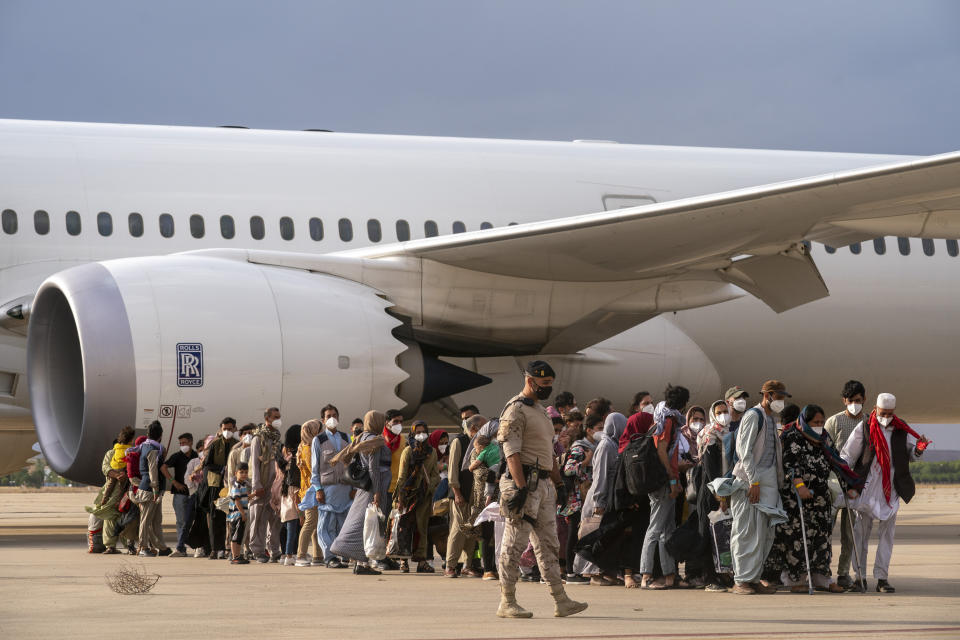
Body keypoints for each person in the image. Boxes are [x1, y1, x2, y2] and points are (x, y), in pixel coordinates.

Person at [496, 360, 587, 619]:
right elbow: (511, 452)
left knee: (549, 544)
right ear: (530, 380)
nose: (548, 388)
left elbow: (548, 452)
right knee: (514, 543)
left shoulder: (541, 411)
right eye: (543, 384)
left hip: (544, 484)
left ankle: (561, 599)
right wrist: (521, 488)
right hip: (524, 482)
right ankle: (507, 600)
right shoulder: (515, 410)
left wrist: (560, 484)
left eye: (550, 384)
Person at [765, 404, 860, 592]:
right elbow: (789, 464)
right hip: (797, 497)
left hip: (820, 496)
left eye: (821, 422)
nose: (819, 425)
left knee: (822, 537)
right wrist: (800, 486)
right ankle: (796, 581)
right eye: (815, 422)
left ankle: (821, 579)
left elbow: (835, 460)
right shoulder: (792, 436)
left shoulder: (823, 438)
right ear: (805, 421)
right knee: (797, 539)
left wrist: (848, 485)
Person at [841, 393, 929, 593]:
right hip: (867, 487)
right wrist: (848, 484)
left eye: (890, 413)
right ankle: (859, 577)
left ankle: (882, 578)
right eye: (883, 413)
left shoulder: (900, 429)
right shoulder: (864, 427)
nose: (886, 417)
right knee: (860, 534)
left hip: (891, 489)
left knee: (887, 536)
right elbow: (847, 455)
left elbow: (911, 455)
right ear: (875, 408)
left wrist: (919, 449)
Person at [726, 380, 790, 595]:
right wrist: (753, 481)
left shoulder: (771, 418)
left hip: (769, 481)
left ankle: (753, 578)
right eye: (779, 397)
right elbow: (744, 452)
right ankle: (741, 580)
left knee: (764, 534)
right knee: (746, 531)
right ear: (769, 395)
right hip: (750, 480)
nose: (781, 401)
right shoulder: (754, 416)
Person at [329, 410, 393, 575]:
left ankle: (360, 563)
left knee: (362, 521)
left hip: (364, 489)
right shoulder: (375, 440)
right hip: (373, 488)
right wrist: (378, 492)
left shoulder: (362, 437)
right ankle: (360, 561)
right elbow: (374, 468)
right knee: (365, 524)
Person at [639, 387, 690, 590]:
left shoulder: (662, 417)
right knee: (655, 529)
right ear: (684, 403)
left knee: (667, 530)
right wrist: (671, 478)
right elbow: (663, 451)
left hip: (666, 480)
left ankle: (669, 575)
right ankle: (646, 575)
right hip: (662, 482)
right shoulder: (668, 421)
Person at [824, 379, 866, 588]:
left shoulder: (868, 422)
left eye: (857, 400)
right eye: (850, 400)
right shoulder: (833, 422)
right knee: (826, 531)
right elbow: (824, 450)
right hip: (833, 483)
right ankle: (823, 571)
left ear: (864, 400)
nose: (854, 404)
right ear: (844, 400)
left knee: (850, 534)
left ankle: (843, 573)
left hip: (856, 486)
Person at [691, 400, 732, 591]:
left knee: (722, 535)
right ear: (713, 414)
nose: (724, 414)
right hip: (711, 493)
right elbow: (710, 469)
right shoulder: (710, 435)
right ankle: (709, 577)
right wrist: (720, 495)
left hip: (724, 491)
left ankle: (721, 574)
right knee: (709, 535)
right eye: (720, 412)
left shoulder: (727, 433)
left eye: (726, 411)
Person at [393, 420, 440, 573]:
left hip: (423, 496)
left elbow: (435, 474)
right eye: (417, 432)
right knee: (405, 527)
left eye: (423, 431)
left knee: (422, 528)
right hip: (408, 495)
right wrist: (400, 497)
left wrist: (428, 485)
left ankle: (420, 561)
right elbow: (402, 476)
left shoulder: (431, 452)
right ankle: (403, 561)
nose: (421, 435)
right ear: (412, 434)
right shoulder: (408, 452)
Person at [311, 408, 353, 568]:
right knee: (326, 525)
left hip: (345, 488)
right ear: (323, 420)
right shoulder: (319, 440)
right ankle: (329, 557)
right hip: (327, 488)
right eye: (329, 416)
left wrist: (354, 486)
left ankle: (339, 554)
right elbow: (315, 468)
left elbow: (351, 463)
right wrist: (317, 489)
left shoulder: (345, 437)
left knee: (342, 524)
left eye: (335, 415)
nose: (332, 418)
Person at [444, 414, 485, 578]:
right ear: (474, 428)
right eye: (482, 427)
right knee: (458, 530)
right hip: (461, 493)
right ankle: (450, 565)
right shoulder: (458, 442)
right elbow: (452, 470)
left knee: (472, 530)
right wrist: (457, 492)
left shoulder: (480, 443)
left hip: (475, 494)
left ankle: (467, 565)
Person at [559, 413, 596, 584]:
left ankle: (575, 570)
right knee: (573, 535)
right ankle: (571, 573)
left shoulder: (587, 446)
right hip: (575, 499)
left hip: (581, 498)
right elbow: (569, 469)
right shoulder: (579, 448)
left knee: (577, 534)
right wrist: (586, 461)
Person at [249, 407, 283, 563]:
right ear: (267, 418)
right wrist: (256, 486)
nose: (278, 419)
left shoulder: (275, 438)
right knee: (259, 519)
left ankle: (274, 550)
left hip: (274, 486)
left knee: (275, 519)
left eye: (279, 417)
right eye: (275, 417)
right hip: (262, 485)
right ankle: (257, 550)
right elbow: (254, 464)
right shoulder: (258, 438)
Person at [133, 421, 171, 557]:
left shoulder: (144, 446)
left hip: (150, 489)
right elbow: (153, 471)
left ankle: (162, 547)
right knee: (146, 520)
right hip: (150, 490)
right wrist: (155, 490)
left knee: (156, 520)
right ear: (160, 436)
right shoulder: (154, 450)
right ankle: (143, 547)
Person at [202, 418, 238, 560]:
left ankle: (224, 548)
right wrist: (221, 469)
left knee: (227, 518)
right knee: (214, 517)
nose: (227, 431)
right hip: (216, 486)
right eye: (225, 429)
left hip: (230, 486)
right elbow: (207, 464)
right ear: (221, 429)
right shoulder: (215, 444)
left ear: (234, 428)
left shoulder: (236, 445)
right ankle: (214, 549)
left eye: (230, 428)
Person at [161, 432, 199, 557]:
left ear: (191, 442)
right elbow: (163, 467)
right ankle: (181, 547)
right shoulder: (177, 456)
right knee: (181, 521)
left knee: (193, 521)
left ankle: (197, 546)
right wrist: (174, 482)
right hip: (180, 493)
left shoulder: (196, 455)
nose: (182, 445)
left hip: (194, 493)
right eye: (180, 443)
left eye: (184, 443)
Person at [295, 419, 322, 567]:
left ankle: (318, 555)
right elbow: (314, 470)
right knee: (310, 523)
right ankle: (301, 555)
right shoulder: (309, 448)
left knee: (315, 524)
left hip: (308, 489)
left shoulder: (304, 445)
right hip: (311, 490)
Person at [279, 425, 302, 566]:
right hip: (293, 501)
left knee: (287, 530)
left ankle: (286, 554)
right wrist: (300, 512)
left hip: (285, 500)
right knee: (292, 532)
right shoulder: (295, 458)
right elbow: (295, 487)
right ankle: (289, 554)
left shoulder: (286, 457)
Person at [96, 426, 135, 507]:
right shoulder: (111, 453)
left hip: (125, 498)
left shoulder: (129, 452)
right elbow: (105, 467)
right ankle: (109, 500)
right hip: (112, 495)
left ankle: (112, 500)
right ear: (131, 440)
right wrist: (117, 475)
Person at [722, 386, 750, 474]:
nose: (741, 400)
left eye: (743, 398)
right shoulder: (721, 427)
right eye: (737, 398)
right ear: (728, 402)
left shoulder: (746, 425)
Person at [229, 462, 251, 565]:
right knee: (235, 536)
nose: (243, 474)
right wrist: (242, 513)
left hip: (242, 514)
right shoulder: (236, 485)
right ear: (236, 473)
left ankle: (238, 555)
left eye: (246, 472)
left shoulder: (244, 485)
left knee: (240, 536)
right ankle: (234, 556)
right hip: (237, 515)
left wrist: (254, 495)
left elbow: (244, 499)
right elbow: (237, 501)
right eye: (241, 472)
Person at [384, 410, 408, 494]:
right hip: (383, 487)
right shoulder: (380, 439)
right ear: (387, 423)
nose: (399, 424)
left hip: (398, 487)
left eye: (401, 422)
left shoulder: (402, 439)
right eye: (395, 421)